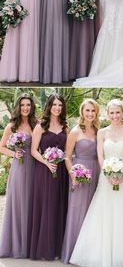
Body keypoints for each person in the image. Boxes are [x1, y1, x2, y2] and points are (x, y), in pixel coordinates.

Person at [70, 99, 123, 267]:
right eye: (112, 113)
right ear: (107, 114)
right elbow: (100, 157)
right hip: (105, 178)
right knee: (104, 210)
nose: (115, 116)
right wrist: (108, 173)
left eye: (118, 112)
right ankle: (99, 254)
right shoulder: (101, 133)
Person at [61, 99, 100, 264]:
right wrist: (73, 174)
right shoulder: (75, 131)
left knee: (93, 212)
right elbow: (67, 157)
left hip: (96, 172)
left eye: (93, 111)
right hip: (80, 173)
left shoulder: (99, 130)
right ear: (82, 112)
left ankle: (89, 253)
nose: (90, 114)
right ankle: (73, 252)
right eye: (87, 110)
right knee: (78, 212)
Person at [30, 94, 69, 260]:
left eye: (60, 105)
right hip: (45, 170)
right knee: (47, 206)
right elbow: (33, 150)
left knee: (59, 205)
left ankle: (58, 248)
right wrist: (47, 162)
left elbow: (68, 151)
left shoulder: (65, 126)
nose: (57, 108)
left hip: (61, 171)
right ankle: (45, 249)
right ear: (49, 106)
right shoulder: (40, 126)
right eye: (54, 105)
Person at [0, 94, 37, 258]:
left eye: (28, 105)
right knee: (18, 203)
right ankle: (15, 245)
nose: (25, 108)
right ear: (18, 106)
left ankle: (30, 245)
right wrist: (14, 154)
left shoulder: (36, 124)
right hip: (19, 169)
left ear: (32, 107)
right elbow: (1, 147)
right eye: (22, 105)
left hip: (34, 167)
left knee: (31, 203)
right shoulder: (11, 126)